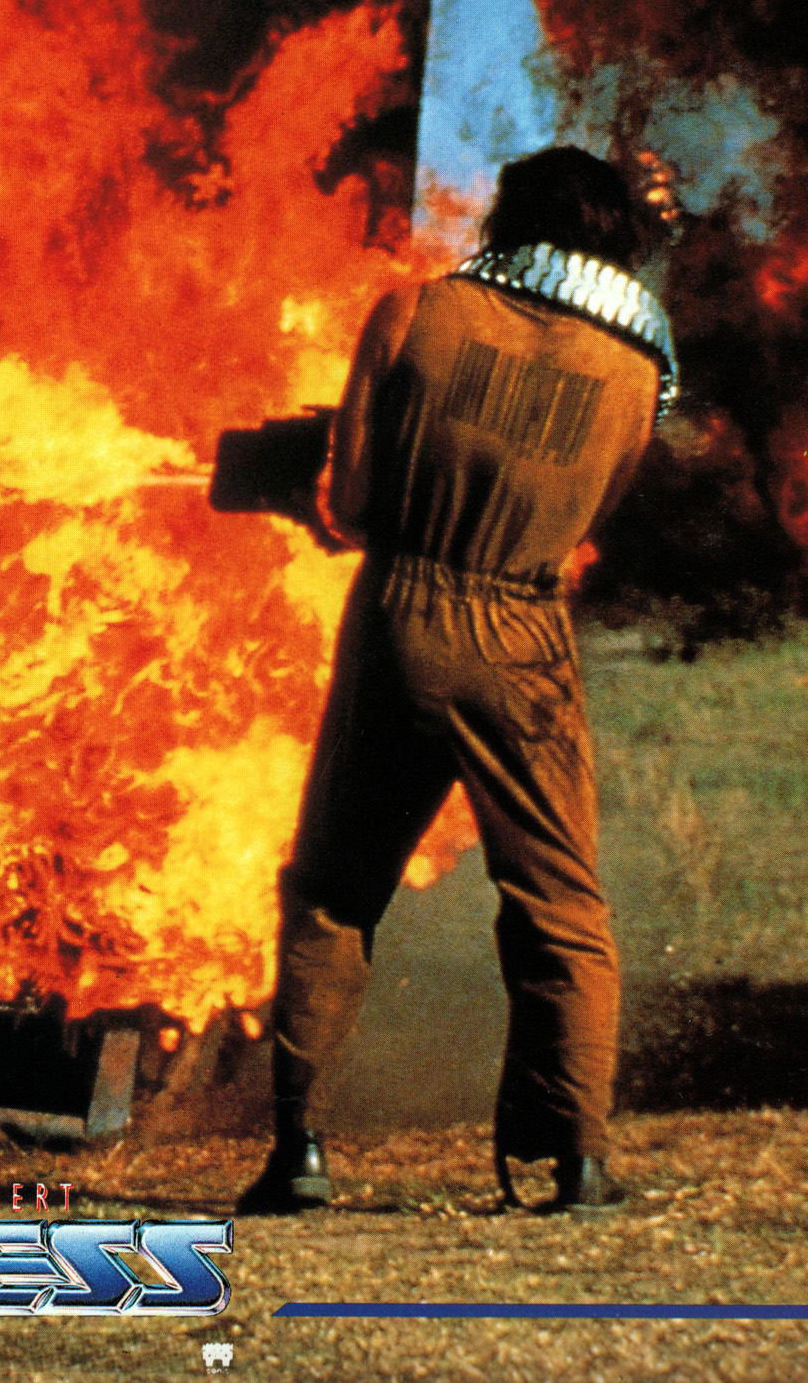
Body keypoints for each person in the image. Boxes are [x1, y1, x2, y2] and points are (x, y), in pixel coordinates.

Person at [237, 146, 678, 1217]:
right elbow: (591, 521)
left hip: (400, 613)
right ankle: (577, 1159)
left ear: (505, 220)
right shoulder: (634, 374)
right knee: (559, 900)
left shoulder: (413, 313)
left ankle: (298, 1152)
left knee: (336, 888)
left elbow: (351, 501)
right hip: (524, 639)